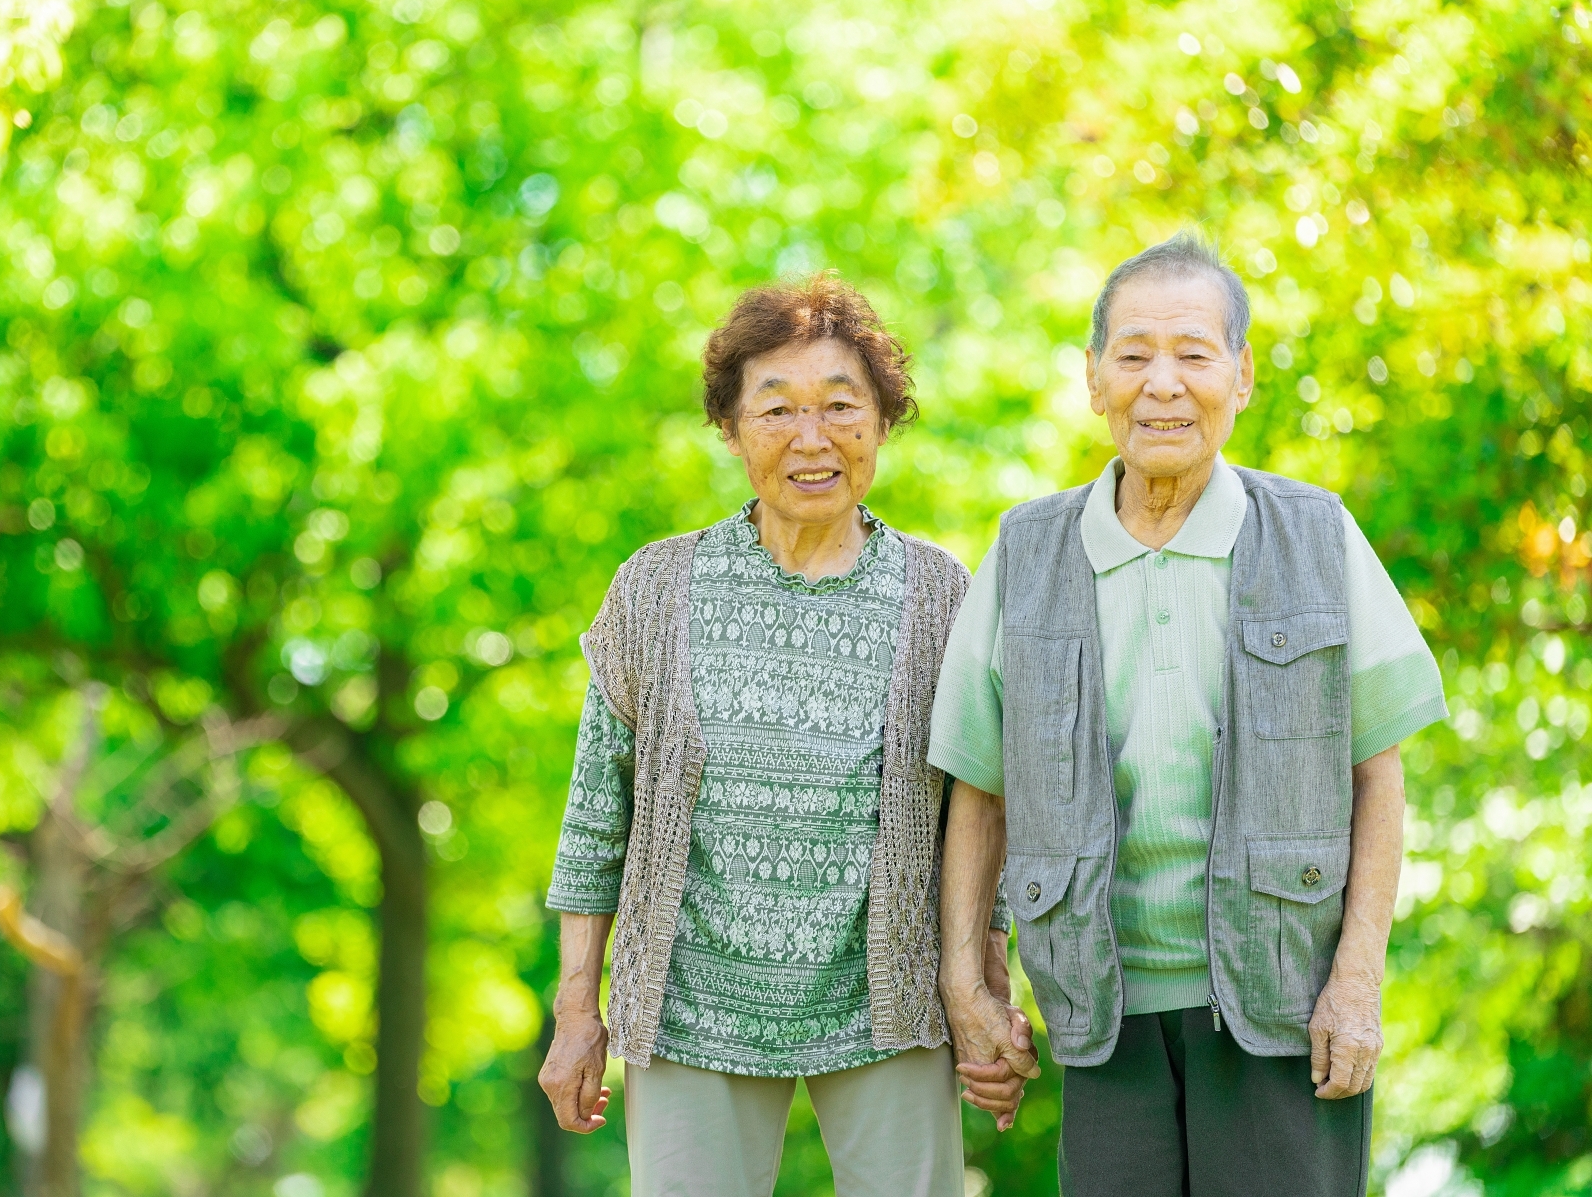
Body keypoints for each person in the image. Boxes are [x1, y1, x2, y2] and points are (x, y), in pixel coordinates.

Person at [930, 232, 1447, 1195]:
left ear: (1241, 375)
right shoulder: (1026, 551)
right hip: (1100, 1008)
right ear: (1093, 378)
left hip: (1284, 1004)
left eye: (1193, 354)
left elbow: (1377, 774)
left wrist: (1357, 981)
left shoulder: (1317, 534)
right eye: (1133, 355)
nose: (1161, 384)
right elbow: (980, 791)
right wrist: (969, 980)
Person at [537, 274, 1030, 1197]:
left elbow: (981, 806)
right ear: (731, 429)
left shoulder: (941, 594)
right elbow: (596, 815)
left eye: (841, 405)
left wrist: (987, 989)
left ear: (882, 421)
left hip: (887, 1004)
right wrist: (576, 1011)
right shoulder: (656, 587)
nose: (812, 438)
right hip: (689, 1006)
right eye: (776, 409)